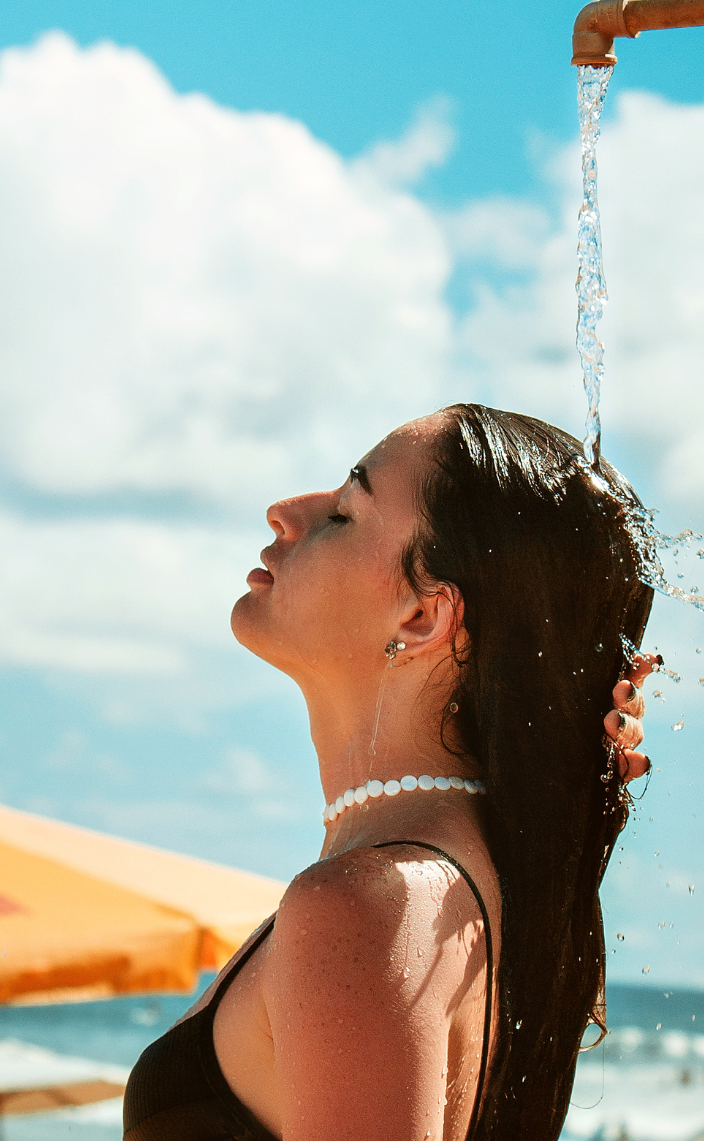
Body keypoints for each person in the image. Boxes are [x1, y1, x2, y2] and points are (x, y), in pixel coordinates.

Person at [123, 404, 659, 1141]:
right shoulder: (470, 887)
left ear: (422, 618)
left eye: (345, 513)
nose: (286, 512)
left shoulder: (367, 905)